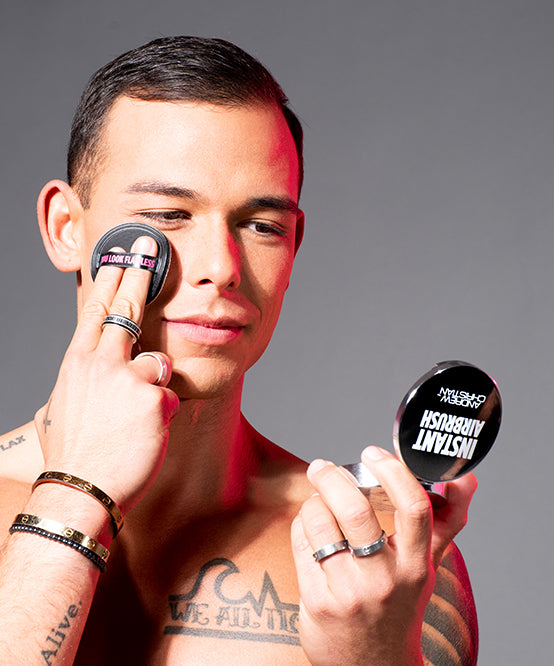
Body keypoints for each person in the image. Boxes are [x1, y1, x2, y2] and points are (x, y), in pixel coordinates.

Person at [0, 36, 478, 665]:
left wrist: (375, 657)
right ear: (67, 228)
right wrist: (75, 493)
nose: (222, 267)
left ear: (294, 244)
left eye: (261, 226)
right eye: (168, 215)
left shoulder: (377, 557)